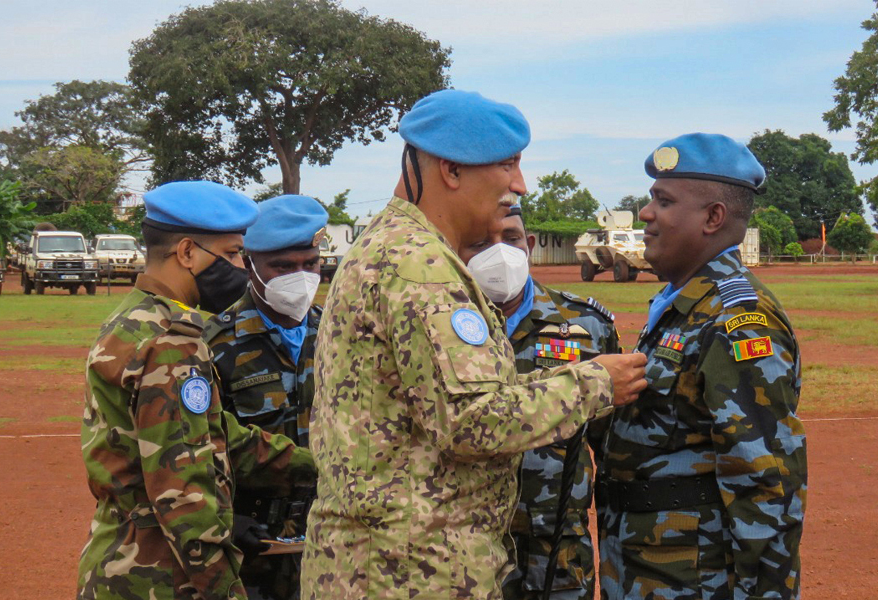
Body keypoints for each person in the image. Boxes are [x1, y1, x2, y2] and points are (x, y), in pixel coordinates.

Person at [299, 89, 648, 600]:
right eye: (507, 166)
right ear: (451, 170)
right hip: (412, 571)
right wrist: (595, 382)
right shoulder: (420, 265)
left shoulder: (387, 245)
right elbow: (471, 420)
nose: (519, 185)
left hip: (379, 562)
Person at [76, 181, 316, 600]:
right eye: (230, 254)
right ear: (186, 252)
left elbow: (214, 436)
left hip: (122, 559)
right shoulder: (172, 340)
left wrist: (312, 465)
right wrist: (225, 590)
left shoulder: (135, 318)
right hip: (158, 574)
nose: (240, 268)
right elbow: (184, 490)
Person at [595, 133, 807, 600]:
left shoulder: (737, 320)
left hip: (694, 578)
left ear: (713, 217)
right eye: (651, 198)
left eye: (664, 201)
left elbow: (766, 481)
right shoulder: (687, 303)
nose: (646, 214)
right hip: (645, 566)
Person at [460, 207, 621, 600]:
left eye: (511, 239)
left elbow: (613, 450)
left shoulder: (586, 326)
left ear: (528, 245)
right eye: (480, 243)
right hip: (463, 548)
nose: (499, 253)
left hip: (558, 551)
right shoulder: (441, 326)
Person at [205, 195, 328, 599]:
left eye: (310, 264)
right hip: (249, 549)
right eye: (283, 266)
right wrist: (225, 520)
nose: (301, 276)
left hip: (329, 543)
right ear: (249, 264)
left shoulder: (341, 336)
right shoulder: (214, 345)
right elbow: (198, 447)